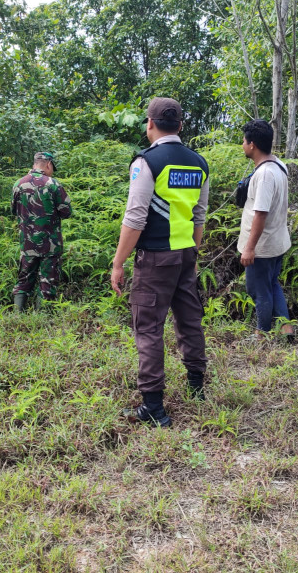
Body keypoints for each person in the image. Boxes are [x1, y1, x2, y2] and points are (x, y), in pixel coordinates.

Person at [111, 97, 210, 428]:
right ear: (180, 125)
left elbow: (135, 216)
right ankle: (197, 386)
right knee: (189, 319)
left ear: (149, 124)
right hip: (185, 254)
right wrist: (192, 253)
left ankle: (153, 406)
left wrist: (118, 263)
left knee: (149, 328)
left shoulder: (147, 162)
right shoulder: (199, 163)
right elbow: (199, 214)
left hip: (155, 258)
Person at [238, 119, 294, 339]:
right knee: (271, 284)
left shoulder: (264, 175)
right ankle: (286, 327)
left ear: (252, 145)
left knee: (258, 289)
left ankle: (262, 334)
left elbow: (261, 213)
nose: (242, 145)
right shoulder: (279, 165)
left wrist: (250, 248)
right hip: (277, 240)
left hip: (263, 245)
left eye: (244, 141)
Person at [11, 151, 72, 311]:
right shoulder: (53, 184)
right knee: (48, 281)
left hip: (27, 243)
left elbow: (14, 211)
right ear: (49, 164)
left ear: (34, 163)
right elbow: (66, 212)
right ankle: (42, 318)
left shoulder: (19, 184)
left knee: (24, 279)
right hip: (50, 244)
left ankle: (17, 314)